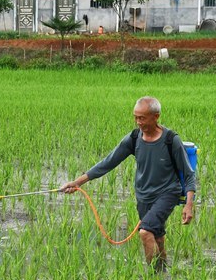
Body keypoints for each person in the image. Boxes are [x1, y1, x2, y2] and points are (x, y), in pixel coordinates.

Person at [59, 96, 195, 270]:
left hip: (167, 193)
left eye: (142, 118)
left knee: (145, 232)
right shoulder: (134, 138)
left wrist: (188, 205)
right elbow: (108, 162)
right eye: (135, 117)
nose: (138, 122)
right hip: (143, 195)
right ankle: (163, 273)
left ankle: (152, 278)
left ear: (156, 117)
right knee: (157, 236)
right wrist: (77, 182)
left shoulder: (170, 140)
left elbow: (189, 174)